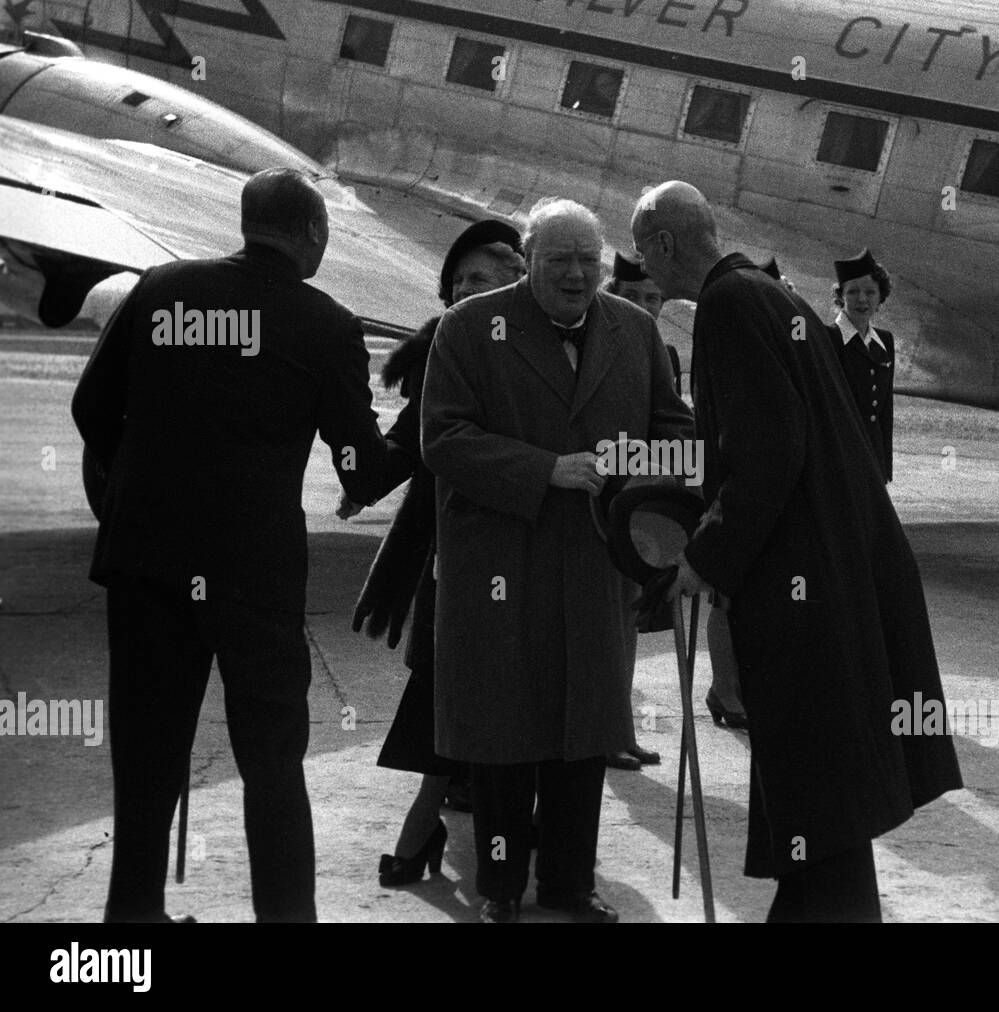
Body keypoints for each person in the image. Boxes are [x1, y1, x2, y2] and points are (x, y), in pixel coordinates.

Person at [71, 168, 412, 922]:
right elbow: (360, 467)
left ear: (247, 221)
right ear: (315, 235)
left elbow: (92, 409)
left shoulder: (160, 289)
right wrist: (420, 429)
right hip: (251, 576)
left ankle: (133, 920)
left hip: (146, 562)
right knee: (270, 763)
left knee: (147, 753)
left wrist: (130, 493)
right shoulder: (325, 323)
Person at [631, 181, 962, 923]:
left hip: (800, 592)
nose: (643, 268)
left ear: (665, 244)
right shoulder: (772, 295)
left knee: (819, 801)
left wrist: (704, 558)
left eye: (643, 250)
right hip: (832, 574)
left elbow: (767, 452)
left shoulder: (725, 305)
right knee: (816, 814)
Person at [422, 197, 693, 923]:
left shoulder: (634, 331)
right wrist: (548, 469)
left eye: (589, 262)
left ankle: (571, 886)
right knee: (504, 741)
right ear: (527, 260)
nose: (576, 275)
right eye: (558, 261)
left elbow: (674, 432)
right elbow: (444, 440)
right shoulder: (471, 329)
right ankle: (502, 891)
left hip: (595, 568)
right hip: (503, 567)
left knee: (583, 739)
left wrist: (659, 496)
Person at [350, 219, 527, 886]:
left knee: (497, 697)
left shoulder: (546, 354)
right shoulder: (445, 353)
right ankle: (427, 820)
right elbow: (400, 445)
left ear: (517, 282)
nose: (463, 292)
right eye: (457, 282)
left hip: (526, 556)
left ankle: (463, 821)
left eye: (480, 279)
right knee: (446, 688)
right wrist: (349, 448)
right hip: (453, 557)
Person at [601, 250, 675, 771]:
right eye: (634, 297)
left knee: (626, 624)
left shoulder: (661, 352)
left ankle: (617, 728)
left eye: (654, 298)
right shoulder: (592, 341)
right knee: (594, 627)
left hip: (634, 508)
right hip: (589, 503)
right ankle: (596, 731)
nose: (646, 307)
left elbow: (671, 432)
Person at [830, 249, 896, 482]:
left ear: (880, 297)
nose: (862, 299)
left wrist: (885, 467)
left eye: (870, 292)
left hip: (873, 457)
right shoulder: (829, 338)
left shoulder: (885, 341)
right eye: (853, 291)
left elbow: (885, 411)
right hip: (839, 458)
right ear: (840, 297)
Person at [606, 251, 681, 392]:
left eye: (651, 298)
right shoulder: (596, 351)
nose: (641, 307)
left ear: (661, 304)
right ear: (612, 298)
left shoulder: (668, 356)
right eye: (631, 296)